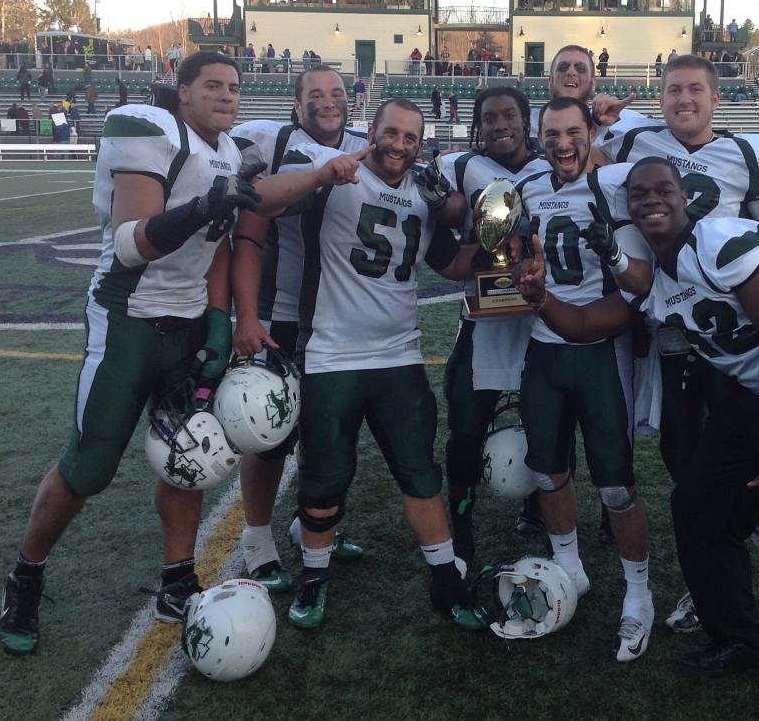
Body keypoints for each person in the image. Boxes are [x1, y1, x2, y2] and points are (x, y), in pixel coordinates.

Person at [0, 52, 358, 657]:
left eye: (235, 87)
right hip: (130, 318)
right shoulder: (147, 128)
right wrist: (204, 206)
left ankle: (177, 577)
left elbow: (221, 246)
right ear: (183, 92)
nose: (226, 95)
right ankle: (26, 574)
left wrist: (219, 325)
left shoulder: (229, 153)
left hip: (188, 321)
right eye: (212, 85)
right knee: (90, 466)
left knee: (188, 452)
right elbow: (131, 243)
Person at [513, 156, 759, 720]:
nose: (651, 200)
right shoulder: (655, 281)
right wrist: (538, 296)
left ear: (686, 199)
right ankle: (742, 640)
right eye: (639, 194)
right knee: (698, 505)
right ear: (626, 208)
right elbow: (583, 326)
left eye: (663, 190)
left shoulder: (722, 241)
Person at [594, 54, 759, 644]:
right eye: (672, 90)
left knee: (748, 467)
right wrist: (600, 116)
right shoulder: (632, 140)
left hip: (735, 339)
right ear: (658, 98)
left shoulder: (745, 156)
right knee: (686, 462)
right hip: (670, 330)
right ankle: (715, 579)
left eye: (694, 89)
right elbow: (582, 159)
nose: (683, 99)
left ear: (716, 99)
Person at [271, 99, 484, 632]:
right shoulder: (333, 174)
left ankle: (445, 580)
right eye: (391, 133)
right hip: (330, 353)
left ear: (420, 144)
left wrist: (498, 244)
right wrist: (321, 175)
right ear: (372, 131)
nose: (399, 145)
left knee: (419, 472)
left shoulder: (422, 195)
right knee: (324, 478)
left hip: (399, 355)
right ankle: (314, 576)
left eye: (411, 138)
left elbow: (454, 264)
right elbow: (263, 202)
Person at [512, 96, 657, 662]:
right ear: (539, 136)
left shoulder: (618, 184)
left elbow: (642, 280)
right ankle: (570, 567)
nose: (562, 143)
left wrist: (616, 253)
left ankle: (638, 596)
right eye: (552, 134)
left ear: (591, 132)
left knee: (617, 487)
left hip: (601, 352)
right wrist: (523, 268)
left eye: (573, 132)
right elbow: (520, 257)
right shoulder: (528, 187)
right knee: (549, 474)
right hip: (544, 351)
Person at [229, 66, 374, 590]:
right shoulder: (271, 141)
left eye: (337, 93)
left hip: (337, 321)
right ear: (296, 103)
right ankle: (256, 537)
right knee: (268, 435)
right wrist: (247, 316)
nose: (328, 102)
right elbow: (249, 223)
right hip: (283, 316)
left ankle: (309, 523)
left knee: (327, 430)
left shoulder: (363, 143)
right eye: (316, 94)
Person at [437, 88, 551, 567]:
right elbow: (439, 214)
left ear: (527, 122)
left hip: (545, 321)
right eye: (489, 118)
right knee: (465, 429)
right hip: (484, 320)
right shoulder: (462, 167)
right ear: (478, 126)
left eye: (510, 115)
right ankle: (460, 526)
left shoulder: (555, 167)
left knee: (549, 427)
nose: (499, 124)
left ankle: (543, 509)